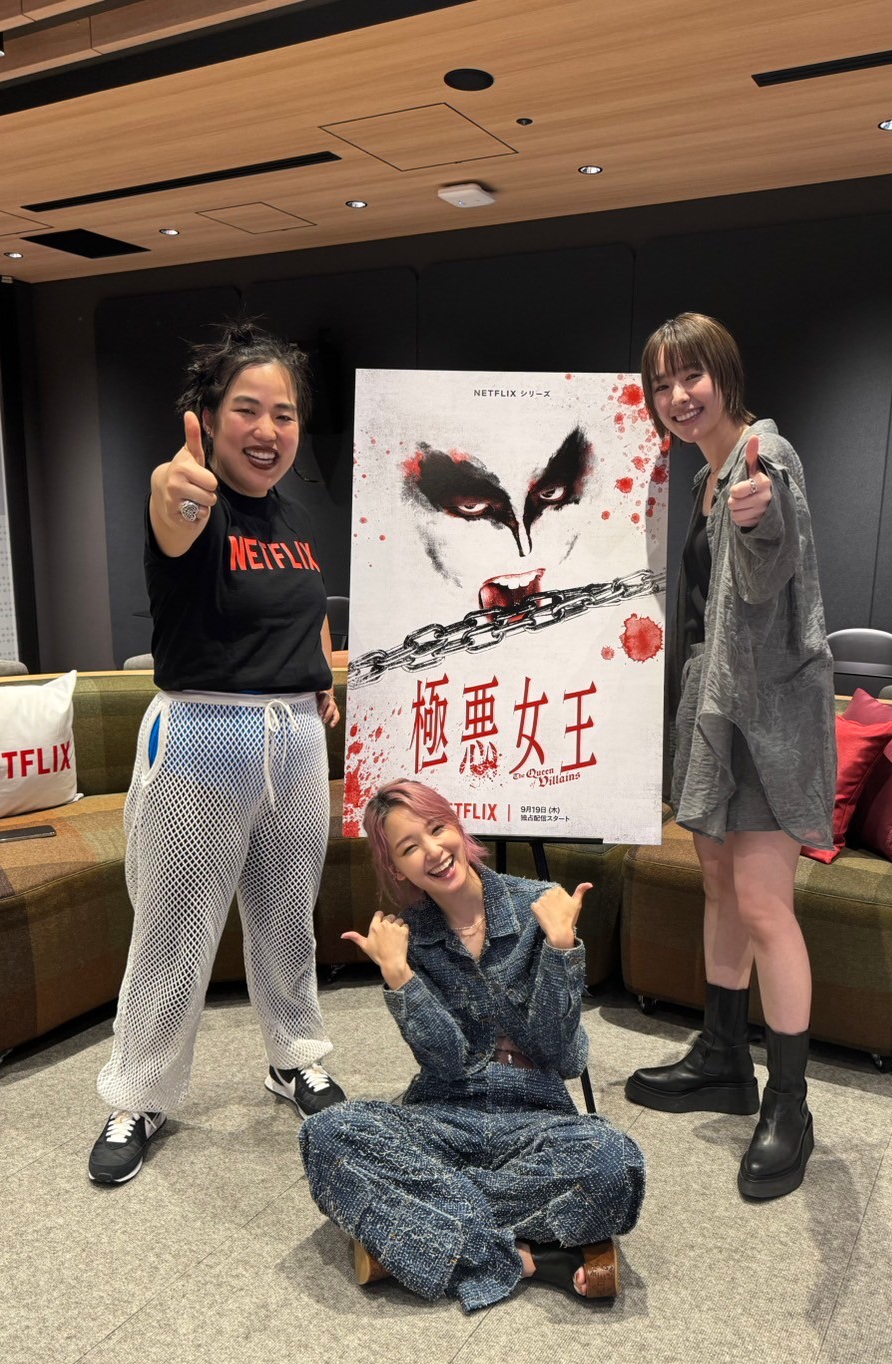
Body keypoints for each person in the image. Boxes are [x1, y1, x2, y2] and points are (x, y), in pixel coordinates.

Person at [89, 321, 345, 1186]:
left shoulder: (296, 514)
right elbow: (173, 506)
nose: (268, 429)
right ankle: (138, 1094)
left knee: (287, 917)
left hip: (294, 741)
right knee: (173, 929)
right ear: (206, 415)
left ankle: (295, 1054)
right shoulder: (193, 500)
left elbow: (305, 607)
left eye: (285, 413)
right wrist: (176, 486)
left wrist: (318, 675)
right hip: (203, 733)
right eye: (247, 409)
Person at [625, 312, 836, 1201]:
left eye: (692, 376)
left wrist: (759, 520)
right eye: (662, 383)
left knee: (763, 903)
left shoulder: (762, 459)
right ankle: (722, 1055)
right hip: (713, 707)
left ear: (724, 374)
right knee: (717, 883)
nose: (678, 396)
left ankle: (790, 1103)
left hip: (767, 719)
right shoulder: (707, 473)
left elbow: (770, 554)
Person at [299, 779, 646, 1311]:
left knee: (612, 1163)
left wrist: (561, 950)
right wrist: (398, 975)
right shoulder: (408, 936)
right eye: (409, 847)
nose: (433, 851)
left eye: (437, 829)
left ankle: (421, 1230)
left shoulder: (538, 905)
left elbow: (563, 1057)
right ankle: (530, 1256)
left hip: (535, 1117)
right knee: (327, 1133)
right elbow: (448, 1062)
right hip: (443, 1113)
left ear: (458, 826)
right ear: (397, 868)